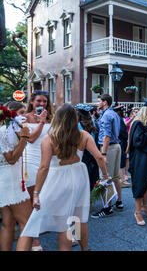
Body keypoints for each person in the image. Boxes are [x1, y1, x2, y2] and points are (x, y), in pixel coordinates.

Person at [17, 104, 109, 251]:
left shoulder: (49, 139)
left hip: (57, 178)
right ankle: (85, 249)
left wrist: (36, 193)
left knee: (61, 222)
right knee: (79, 218)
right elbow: (99, 157)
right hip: (79, 176)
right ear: (75, 118)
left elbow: (44, 167)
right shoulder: (83, 135)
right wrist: (104, 175)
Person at [24, 90, 53, 251]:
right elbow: (30, 139)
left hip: (49, 161)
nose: (42, 104)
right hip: (32, 161)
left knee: (52, 197)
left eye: (45, 101)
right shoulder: (26, 118)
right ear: (32, 102)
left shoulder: (52, 118)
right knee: (33, 201)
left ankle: (64, 231)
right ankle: (35, 239)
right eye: (39, 101)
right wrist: (41, 122)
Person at [0, 103, 32, 251]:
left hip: (5, 180)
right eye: (20, 113)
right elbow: (11, 159)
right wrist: (24, 137)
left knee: (8, 223)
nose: (23, 116)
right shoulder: (4, 131)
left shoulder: (10, 130)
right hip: (11, 180)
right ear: (10, 116)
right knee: (28, 223)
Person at [91, 94, 124, 218]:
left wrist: (103, 154)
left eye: (99, 101)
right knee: (115, 177)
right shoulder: (114, 113)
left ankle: (107, 207)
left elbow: (106, 136)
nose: (97, 103)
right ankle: (119, 202)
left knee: (105, 178)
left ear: (105, 102)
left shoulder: (106, 115)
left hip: (108, 148)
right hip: (116, 146)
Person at [74, 104, 99, 191]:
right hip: (92, 153)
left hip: (83, 154)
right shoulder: (93, 122)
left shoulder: (78, 125)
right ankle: (89, 201)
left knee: (82, 179)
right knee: (91, 178)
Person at [114, 105, 130, 188]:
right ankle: (121, 180)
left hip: (121, 142)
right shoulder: (119, 120)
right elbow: (122, 132)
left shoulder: (118, 120)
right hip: (121, 142)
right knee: (121, 161)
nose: (124, 112)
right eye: (122, 111)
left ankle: (122, 178)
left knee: (122, 161)